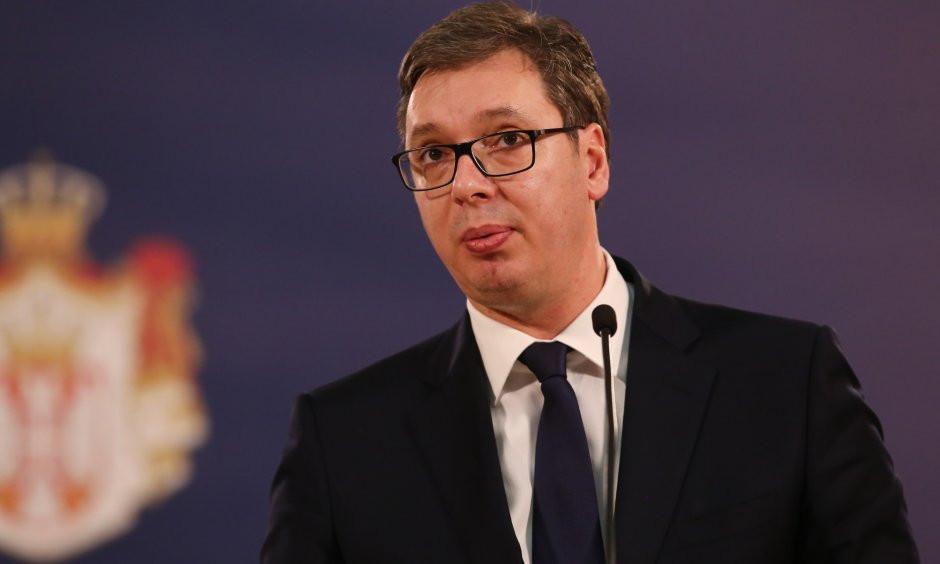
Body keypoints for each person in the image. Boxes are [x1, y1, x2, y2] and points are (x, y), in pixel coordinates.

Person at [261, 2, 919, 563]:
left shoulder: (784, 384)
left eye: (507, 139)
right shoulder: (344, 442)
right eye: (434, 154)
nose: (467, 185)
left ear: (593, 161)